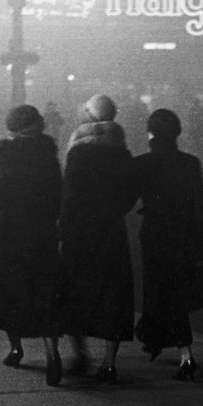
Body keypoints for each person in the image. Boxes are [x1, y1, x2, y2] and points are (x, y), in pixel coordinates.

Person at [0, 104, 63, 386]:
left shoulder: (4, 155)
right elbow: (58, 196)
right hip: (43, 236)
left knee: (9, 295)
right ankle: (52, 353)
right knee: (44, 294)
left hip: (11, 237)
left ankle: (16, 349)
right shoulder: (48, 155)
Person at [60, 94, 138, 383]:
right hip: (111, 231)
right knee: (113, 294)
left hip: (80, 232)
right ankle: (109, 362)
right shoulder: (122, 153)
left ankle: (80, 353)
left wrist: (64, 228)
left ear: (89, 117)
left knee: (75, 291)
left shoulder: (77, 153)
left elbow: (69, 196)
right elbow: (131, 194)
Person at [134, 109, 203, 381]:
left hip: (154, 235)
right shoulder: (190, 163)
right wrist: (201, 243)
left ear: (150, 133)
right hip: (184, 236)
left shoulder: (143, 163)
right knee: (176, 291)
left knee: (156, 289)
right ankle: (169, 344)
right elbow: (199, 205)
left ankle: (178, 349)